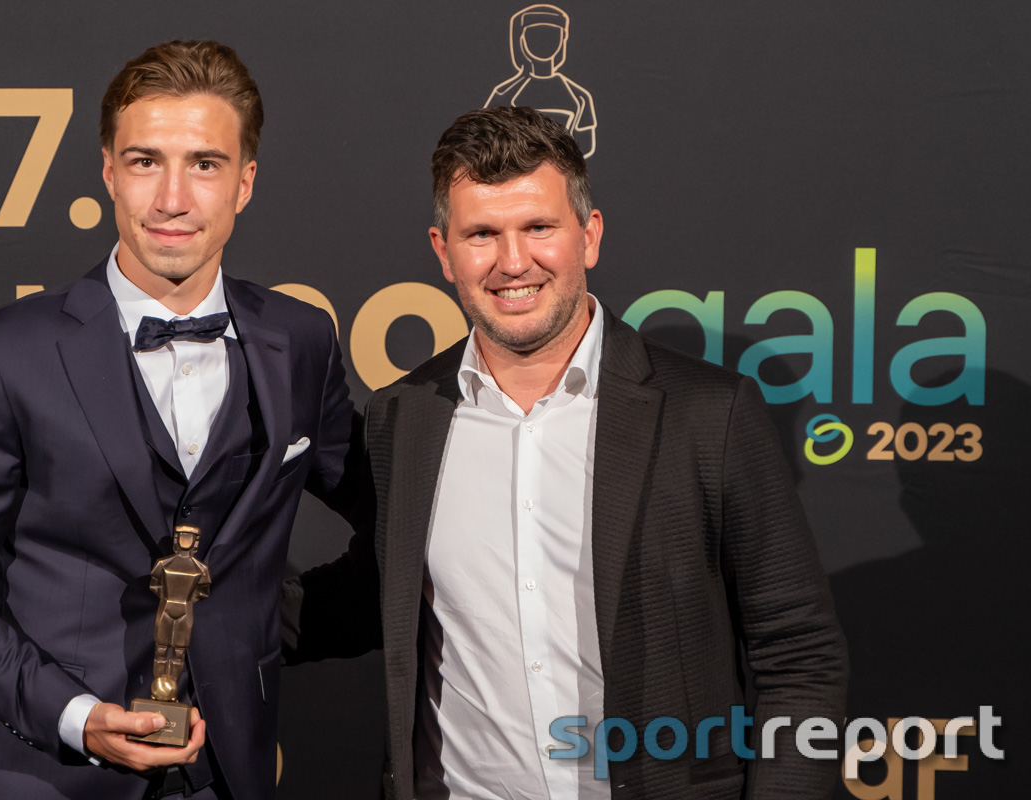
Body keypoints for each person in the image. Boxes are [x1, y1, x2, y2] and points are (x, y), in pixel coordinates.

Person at [285, 106, 847, 799]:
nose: (513, 262)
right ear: (443, 251)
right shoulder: (403, 417)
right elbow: (375, 592)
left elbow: (799, 654)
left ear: (590, 235)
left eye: (538, 228)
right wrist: (200, 617)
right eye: (482, 234)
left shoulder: (708, 414)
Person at [0, 40, 364, 800]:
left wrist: (261, 635)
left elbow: (399, 514)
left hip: (229, 774)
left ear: (245, 181)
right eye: (145, 162)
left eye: (205, 164)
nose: (172, 198)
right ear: (109, 171)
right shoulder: (2, 352)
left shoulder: (300, 340)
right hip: (41, 777)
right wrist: (73, 716)